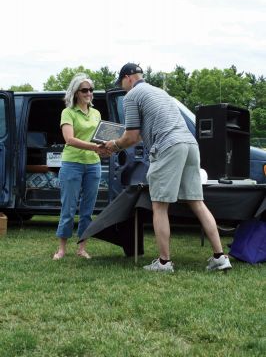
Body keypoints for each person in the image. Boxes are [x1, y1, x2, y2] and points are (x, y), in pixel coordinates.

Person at [104, 63, 232, 272]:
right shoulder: (160, 92)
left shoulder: (132, 96)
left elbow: (132, 137)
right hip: (190, 145)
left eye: (122, 83)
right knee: (197, 202)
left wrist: (113, 145)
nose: (123, 88)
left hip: (168, 146)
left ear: (128, 78)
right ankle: (220, 257)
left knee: (159, 205)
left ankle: (164, 262)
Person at [53, 73, 111, 260]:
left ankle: (81, 248)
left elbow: (99, 139)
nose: (89, 93)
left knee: (87, 210)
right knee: (68, 208)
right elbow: (69, 139)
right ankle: (61, 249)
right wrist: (95, 147)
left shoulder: (96, 113)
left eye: (91, 90)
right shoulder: (67, 112)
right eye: (84, 90)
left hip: (93, 165)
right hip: (72, 164)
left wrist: (106, 148)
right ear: (76, 93)